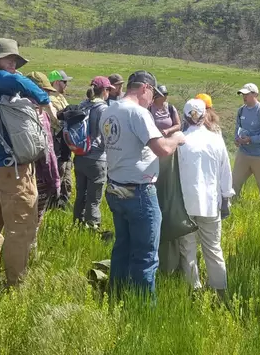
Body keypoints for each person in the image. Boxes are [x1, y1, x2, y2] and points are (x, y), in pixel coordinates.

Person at [0, 38, 51, 286]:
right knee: (19, 230)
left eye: (15, 61)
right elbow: (18, 81)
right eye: (9, 60)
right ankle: (14, 285)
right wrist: (43, 99)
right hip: (13, 170)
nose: (13, 66)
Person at [102, 70, 186, 298]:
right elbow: (163, 149)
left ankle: (117, 294)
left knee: (123, 246)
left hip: (115, 187)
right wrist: (178, 138)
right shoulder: (138, 113)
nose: (152, 100)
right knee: (146, 255)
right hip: (138, 191)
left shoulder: (109, 110)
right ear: (145, 89)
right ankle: (142, 305)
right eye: (152, 94)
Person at [176, 98, 234, 299]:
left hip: (186, 204)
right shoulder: (216, 140)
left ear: (185, 117)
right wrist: (226, 198)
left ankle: (194, 290)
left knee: (188, 248)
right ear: (204, 117)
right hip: (210, 204)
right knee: (213, 249)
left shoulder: (180, 140)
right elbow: (225, 172)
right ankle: (220, 293)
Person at [149, 85, 184, 275]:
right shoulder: (150, 109)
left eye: (165, 95)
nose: (163, 97)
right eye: (161, 95)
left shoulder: (170, 108)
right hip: (154, 148)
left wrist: (169, 130)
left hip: (169, 147)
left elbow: (178, 125)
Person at [72, 76, 112, 228]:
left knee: (80, 194)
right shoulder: (104, 109)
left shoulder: (83, 105)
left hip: (80, 155)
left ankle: (77, 224)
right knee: (94, 198)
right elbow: (108, 134)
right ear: (104, 91)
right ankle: (93, 227)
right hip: (97, 157)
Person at [232, 83, 260, 201]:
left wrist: (251, 139)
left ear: (255, 94)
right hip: (243, 154)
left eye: (247, 94)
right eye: (243, 94)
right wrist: (237, 139)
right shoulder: (241, 110)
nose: (244, 97)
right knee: (233, 185)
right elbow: (238, 127)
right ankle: (230, 209)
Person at [28, 72, 61, 222]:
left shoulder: (12, 108)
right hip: (38, 175)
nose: (47, 96)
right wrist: (54, 180)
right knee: (34, 219)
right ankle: (28, 246)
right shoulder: (40, 114)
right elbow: (47, 152)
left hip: (18, 174)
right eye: (45, 92)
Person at [48, 70, 75, 208]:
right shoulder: (51, 100)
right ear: (57, 82)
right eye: (65, 82)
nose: (66, 85)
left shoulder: (60, 97)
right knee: (59, 170)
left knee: (66, 169)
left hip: (64, 141)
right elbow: (57, 120)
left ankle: (64, 200)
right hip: (57, 141)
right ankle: (54, 200)